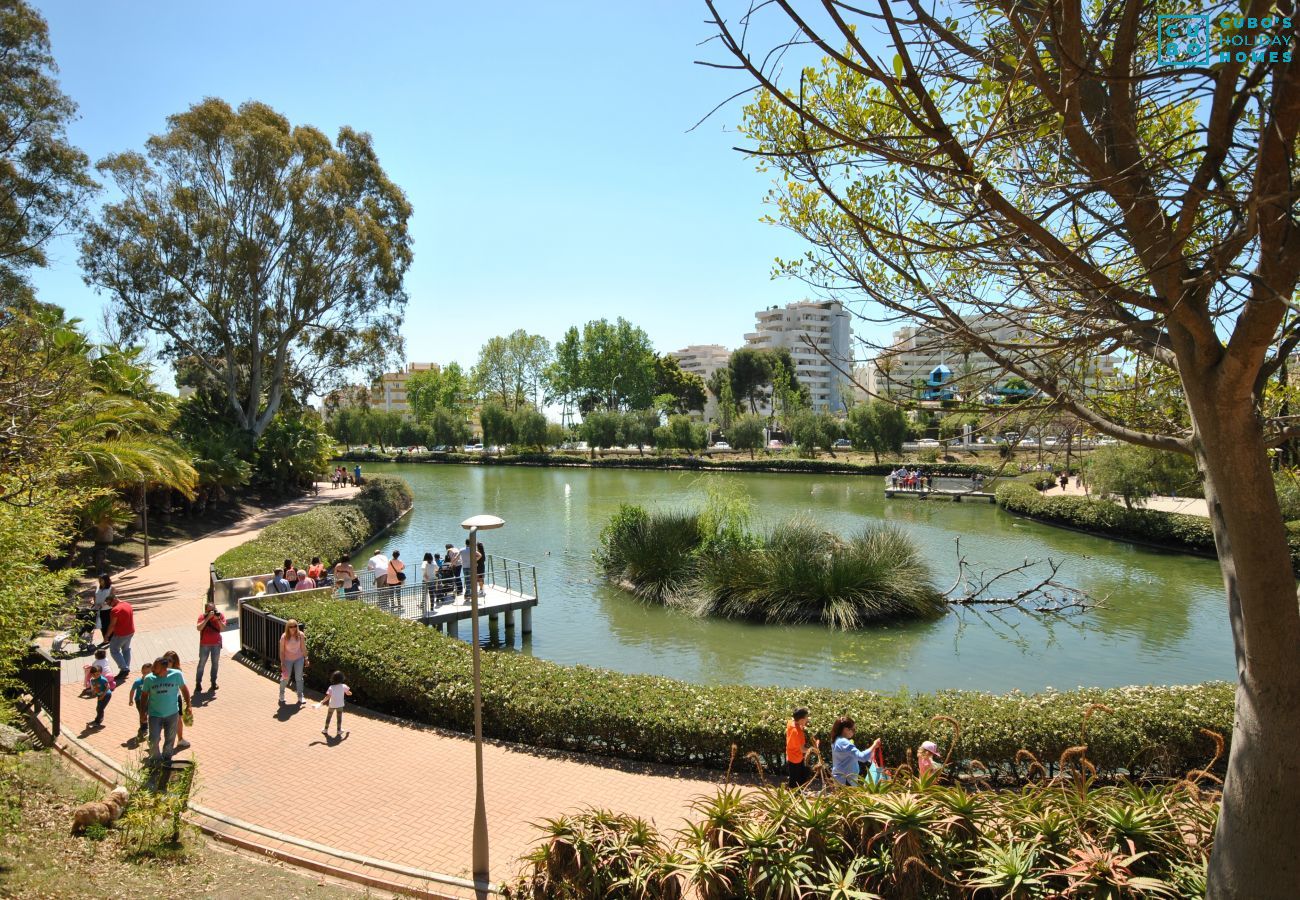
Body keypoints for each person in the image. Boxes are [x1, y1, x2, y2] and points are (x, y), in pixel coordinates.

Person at [140, 655, 190, 765]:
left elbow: (184, 689)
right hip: (154, 715)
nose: (153, 670)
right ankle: (155, 761)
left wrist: (189, 705)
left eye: (155, 668)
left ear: (164, 668)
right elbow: (144, 696)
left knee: (170, 739)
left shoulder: (176, 675)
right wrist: (142, 713)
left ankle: (166, 760)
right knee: (154, 739)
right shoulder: (149, 678)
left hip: (172, 714)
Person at [830, 716, 883, 786]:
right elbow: (862, 757)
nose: (854, 732)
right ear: (846, 729)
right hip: (847, 780)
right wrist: (874, 745)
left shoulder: (837, 739)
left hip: (841, 778)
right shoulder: (843, 742)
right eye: (853, 729)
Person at [103, 593, 135, 683]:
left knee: (114, 650)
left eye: (109, 603)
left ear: (114, 599)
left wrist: (107, 635)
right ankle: (126, 668)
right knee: (126, 649)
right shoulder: (127, 605)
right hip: (130, 631)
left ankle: (124, 669)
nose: (109, 606)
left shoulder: (115, 610)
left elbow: (112, 625)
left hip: (120, 634)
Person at [163, 649, 191, 751]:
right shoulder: (158, 669)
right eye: (165, 659)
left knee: (178, 719)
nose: (167, 662)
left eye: (170, 660)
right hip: (161, 698)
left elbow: (183, 688)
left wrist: (188, 704)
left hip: (175, 697)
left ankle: (180, 739)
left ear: (174, 662)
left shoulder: (177, 672)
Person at [785, 706, 819, 788]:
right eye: (806, 718)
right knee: (796, 781)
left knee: (797, 776)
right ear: (801, 720)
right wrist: (813, 750)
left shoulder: (791, 723)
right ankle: (793, 796)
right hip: (796, 759)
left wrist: (802, 726)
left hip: (791, 755)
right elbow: (802, 749)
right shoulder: (798, 733)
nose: (808, 719)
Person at [195, 601, 226, 692]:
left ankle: (213, 682)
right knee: (202, 664)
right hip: (205, 644)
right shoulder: (202, 617)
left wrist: (218, 619)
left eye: (213, 609)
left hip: (216, 644)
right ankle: (198, 683)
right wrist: (207, 618)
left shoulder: (220, 616)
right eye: (210, 610)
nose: (212, 612)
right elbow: (198, 628)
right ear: (206, 611)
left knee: (215, 664)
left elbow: (223, 628)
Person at [278, 619, 309, 705]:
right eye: (291, 627)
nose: (293, 628)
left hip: (299, 658)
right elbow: (281, 651)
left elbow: (303, 647)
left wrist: (306, 658)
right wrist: (282, 663)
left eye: (295, 626)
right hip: (287, 659)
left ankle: (300, 695)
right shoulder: (284, 637)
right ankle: (281, 693)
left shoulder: (300, 635)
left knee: (299, 678)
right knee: (285, 678)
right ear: (288, 627)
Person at [322, 670, 352, 738]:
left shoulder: (331, 687)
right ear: (342, 678)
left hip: (332, 704)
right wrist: (350, 693)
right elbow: (348, 693)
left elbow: (328, 696)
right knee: (339, 718)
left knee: (328, 717)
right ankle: (339, 730)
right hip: (340, 705)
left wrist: (322, 701)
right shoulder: (344, 686)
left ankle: (325, 729)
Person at [128, 661, 152, 738]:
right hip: (139, 701)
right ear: (142, 672)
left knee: (148, 713)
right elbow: (132, 690)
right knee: (142, 713)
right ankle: (144, 728)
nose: (146, 674)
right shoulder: (138, 682)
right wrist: (131, 700)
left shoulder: (152, 681)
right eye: (145, 672)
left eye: (149, 672)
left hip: (150, 700)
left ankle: (147, 726)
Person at [91, 574, 115, 643]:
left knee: (107, 625)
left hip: (107, 609)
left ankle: (110, 639)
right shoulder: (98, 587)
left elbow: (111, 598)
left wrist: (103, 603)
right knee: (101, 625)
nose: (99, 581)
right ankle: (105, 639)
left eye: (101, 580)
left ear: (106, 580)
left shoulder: (111, 588)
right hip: (97, 609)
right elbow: (94, 596)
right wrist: (93, 601)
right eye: (99, 579)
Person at [87, 663, 112, 729]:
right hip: (99, 695)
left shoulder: (103, 679)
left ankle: (98, 721)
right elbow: (95, 688)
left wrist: (103, 695)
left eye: (98, 674)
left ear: (100, 673)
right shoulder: (92, 680)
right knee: (98, 708)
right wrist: (93, 692)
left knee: (100, 708)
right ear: (91, 674)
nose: (96, 676)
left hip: (106, 695)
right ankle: (98, 719)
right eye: (94, 674)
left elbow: (108, 687)